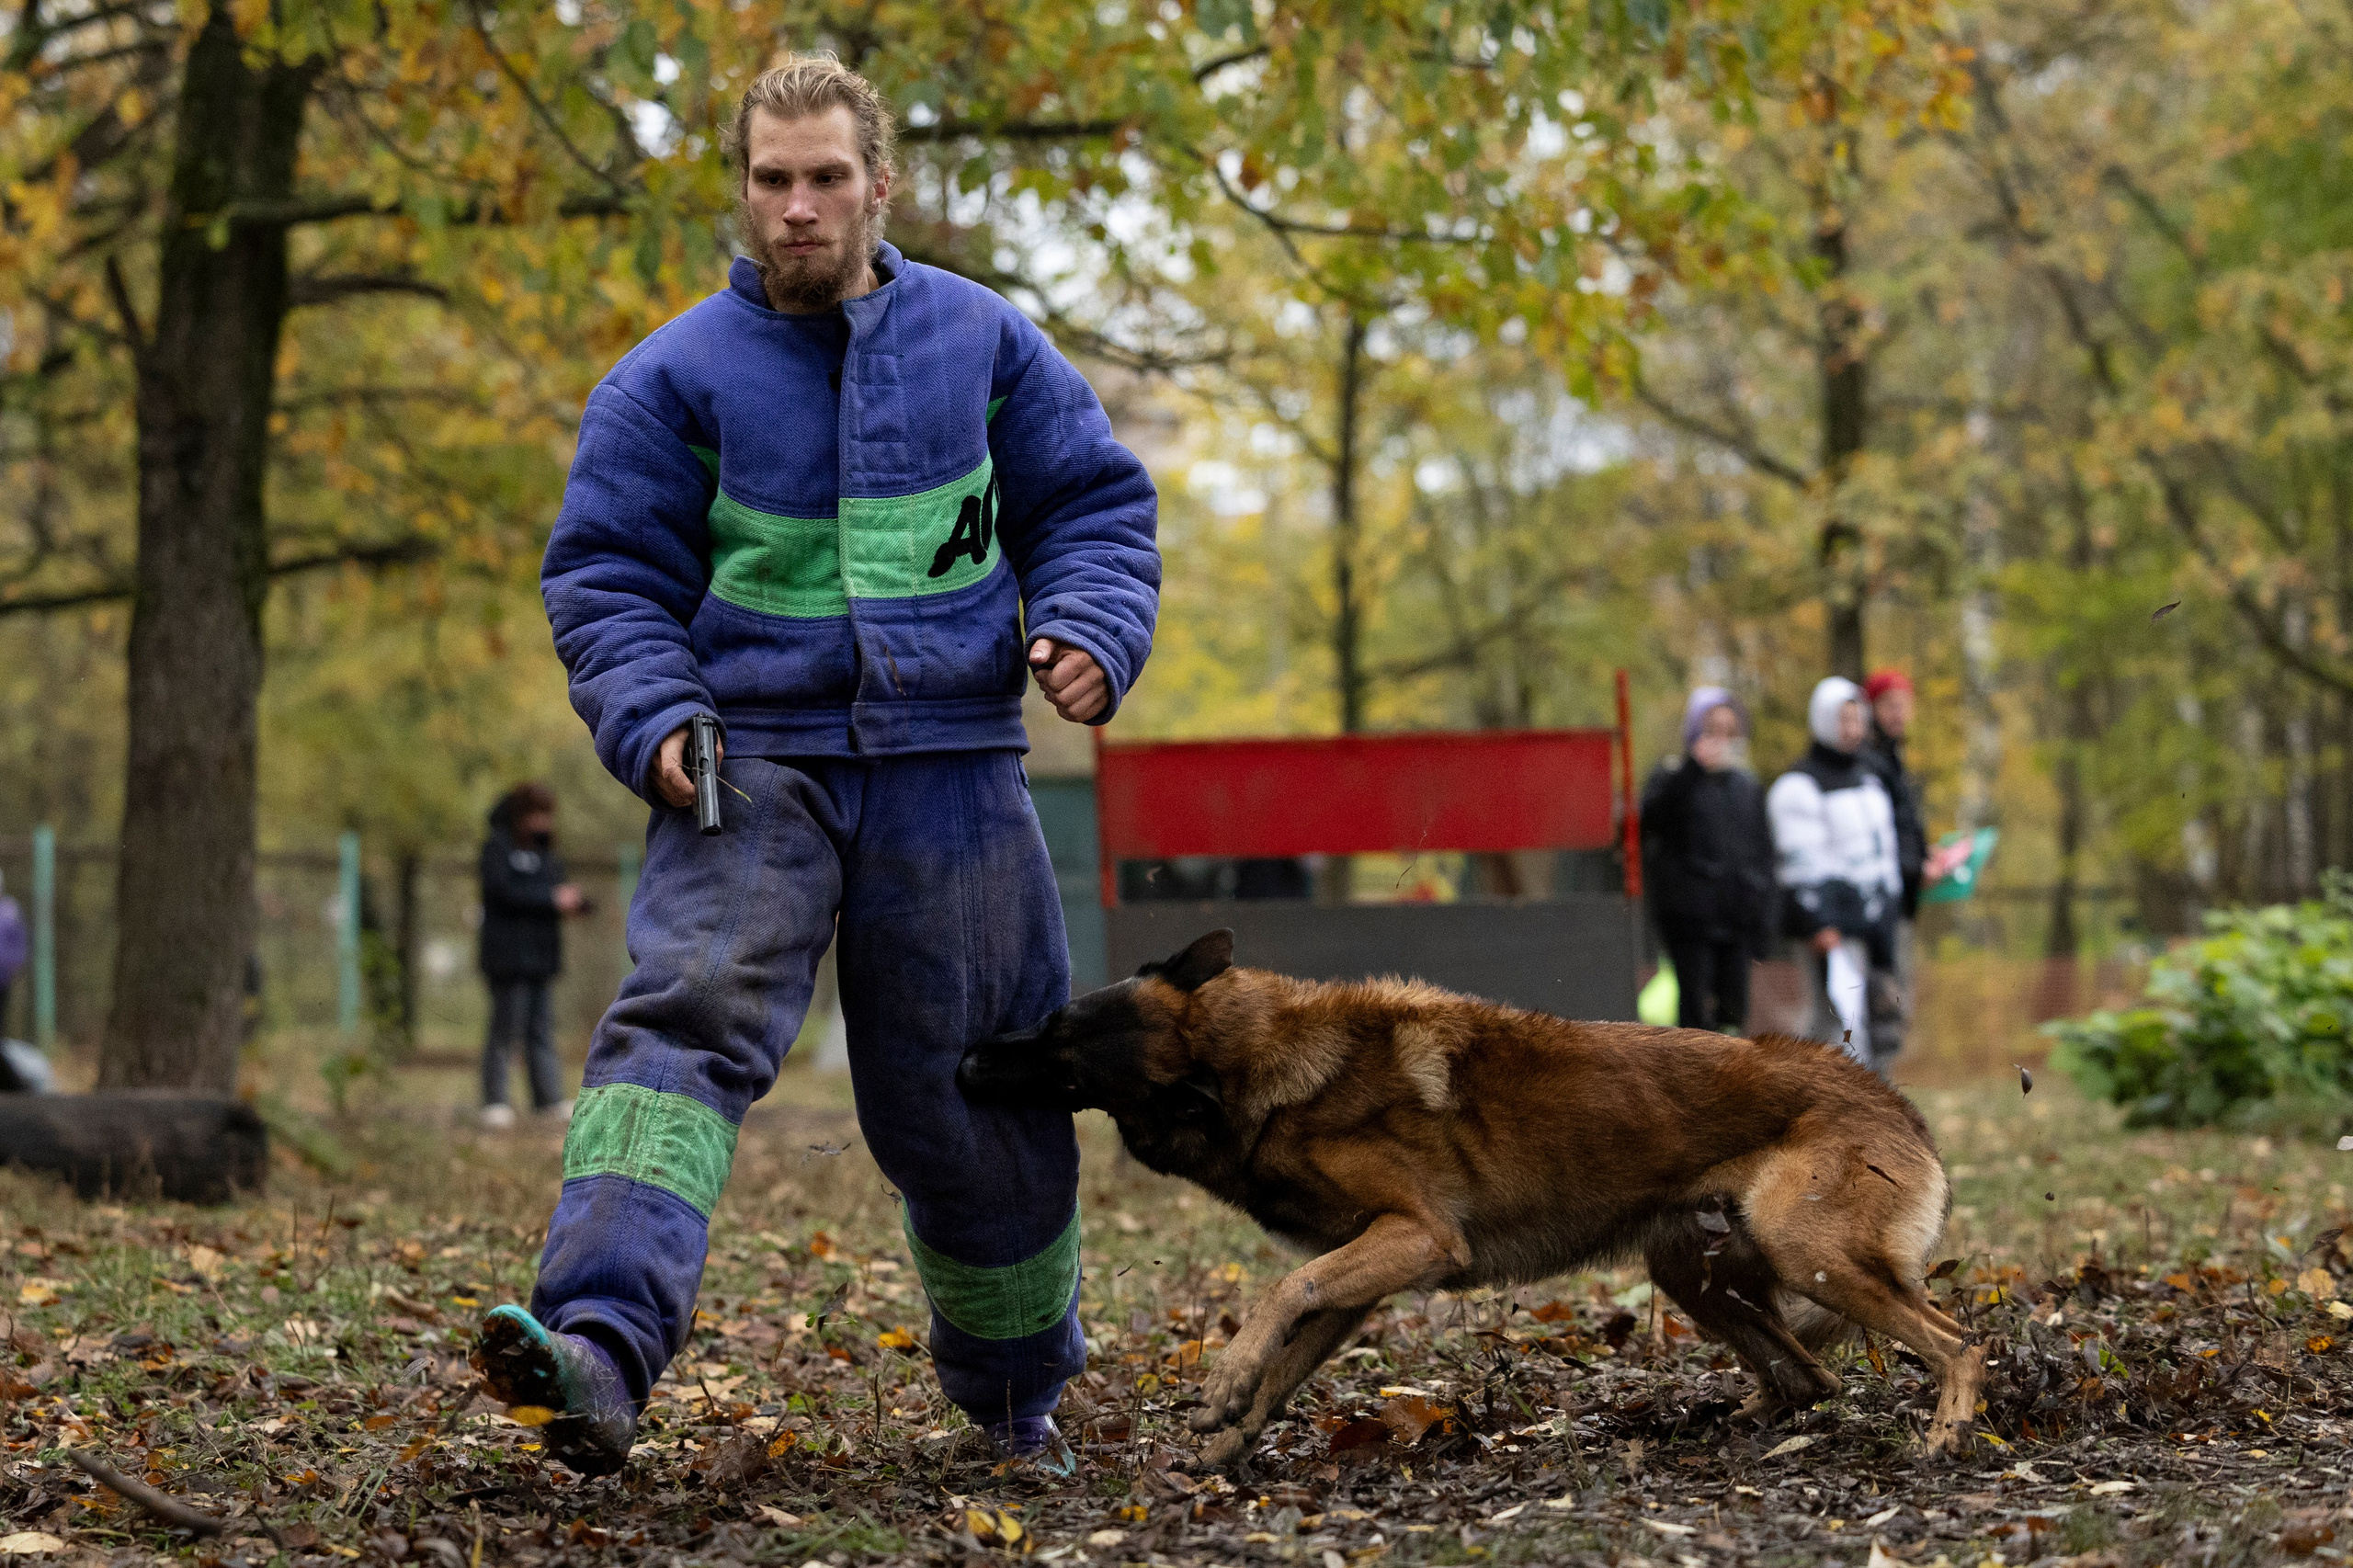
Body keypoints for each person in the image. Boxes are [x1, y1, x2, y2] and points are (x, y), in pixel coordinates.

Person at [472, 54, 1160, 1479]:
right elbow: (606, 579)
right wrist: (653, 713)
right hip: (748, 770)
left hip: (953, 773)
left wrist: (1092, 627)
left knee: (977, 1085)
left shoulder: (984, 343)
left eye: (826, 178)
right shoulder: (665, 380)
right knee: (678, 1034)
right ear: (744, 188)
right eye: (773, 179)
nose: (798, 207)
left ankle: (1019, 1391)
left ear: (879, 185)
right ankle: (593, 1352)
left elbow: (1092, 503)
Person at [1767, 677, 1904, 1074]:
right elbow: (1800, 863)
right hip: (1834, 932)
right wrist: (1819, 921)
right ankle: (1816, 1106)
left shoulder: (1871, 778)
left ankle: (1879, 1114)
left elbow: (1884, 851)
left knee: (1880, 1024)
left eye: (1857, 719)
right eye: (1843, 719)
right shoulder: (1799, 786)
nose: (1853, 729)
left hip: (1874, 924)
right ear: (1823, 721)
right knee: (1836, 1027)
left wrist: (1888, 907)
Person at [1639, 687, 1776, 1032]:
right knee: (1696, 1017)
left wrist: (1762, 917)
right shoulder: (1673, 778)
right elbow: (1650, 823)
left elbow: (1763, 854)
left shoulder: (1747, 786)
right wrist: (1691, 772)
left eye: (1730, 731)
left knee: (1733, 1015)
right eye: (1712, 729)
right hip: (1691, 922)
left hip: (1738, 920)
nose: (1721, 740)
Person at [477, 782, 587, 1129]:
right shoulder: (496, 849)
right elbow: (503, 892)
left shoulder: (546, 855)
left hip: (541, 958)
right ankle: (495, 1100)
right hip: (507, 959)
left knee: (540, 1030)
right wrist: (551, 899)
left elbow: (557, 892)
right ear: (520, 815)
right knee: (505, 1030)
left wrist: (577, 902)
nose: (543, 822)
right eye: (536, 814)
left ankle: (548, 1099)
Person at [1859, 669, 1927, 1064]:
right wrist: (1913, 867)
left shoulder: (1894, 761)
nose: (1898, 713)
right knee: (1884, 1006)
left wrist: (1924, 860)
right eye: (1889, 704)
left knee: (1896, 1005)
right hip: (1881, 905)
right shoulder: (1870, 765)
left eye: (1904, 704)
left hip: (1902, 898)